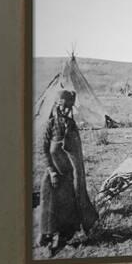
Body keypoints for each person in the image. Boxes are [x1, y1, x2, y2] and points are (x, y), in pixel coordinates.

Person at [39, 89, 98, 255]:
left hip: (68, 175)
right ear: (57, 105)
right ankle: (47, 236)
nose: (65, 110)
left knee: (67, 207)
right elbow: (44, 150)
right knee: (49, 205)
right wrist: (51, 172)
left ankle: (64, 238)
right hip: (53, 175)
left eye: (69, 107)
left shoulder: (71, 125)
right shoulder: (50, 125)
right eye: (63, 107)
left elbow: (76, 152)